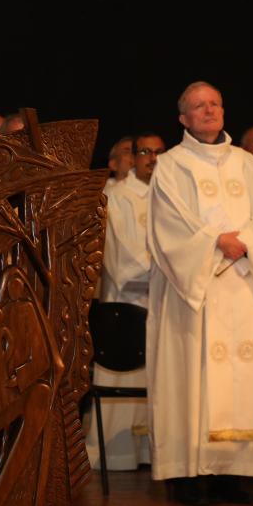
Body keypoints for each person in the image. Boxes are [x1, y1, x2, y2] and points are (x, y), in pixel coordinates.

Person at [146, 81, 253, 506]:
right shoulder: (172, 165)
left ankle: (231, 473)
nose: (209, 111)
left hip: (240, 283)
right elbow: (169, 223)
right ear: (183, 118)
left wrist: (245, 242)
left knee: (240, 376)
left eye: (215, 104)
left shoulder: (247, 164)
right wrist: (216, 243)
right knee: (192, 374)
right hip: (193, 292)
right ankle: (187, 474)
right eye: (199, 106)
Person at [84, 133, 166, 470]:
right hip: (126, 302)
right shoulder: (117, 196)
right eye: (145, 152)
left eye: (159, 152)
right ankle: (116, 454)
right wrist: (171, 271)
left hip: (162, 305)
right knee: (124, 377)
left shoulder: (167, 194)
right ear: (133, 157)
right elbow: (122, 260)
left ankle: (150, 451)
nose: (152, 158)